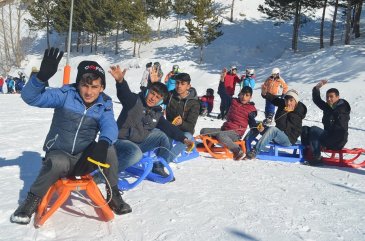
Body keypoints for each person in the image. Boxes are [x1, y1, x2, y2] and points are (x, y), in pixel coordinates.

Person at [10, 48, 131, 225]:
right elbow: (30, 98)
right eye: (85, 85)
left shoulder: (104, 104)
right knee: (57, 161)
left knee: (110, 149)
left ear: (102, 87)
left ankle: (113, 195)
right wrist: (41, 78)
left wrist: (104, 143)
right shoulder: (65, 95)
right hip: (61, 155)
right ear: (78, 84)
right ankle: (31, 201)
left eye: (94, 87)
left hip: (84, 159)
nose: (89, 92)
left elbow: (109, 125)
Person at [109, 65, 194, 179]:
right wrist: (120, 81)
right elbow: (124, 94)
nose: (153, 98)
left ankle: (158, 166)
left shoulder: (156, 113)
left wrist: (184, 139)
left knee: (162, 136)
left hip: (137, 143)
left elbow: (169, 127)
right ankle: (105, 174)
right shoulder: (134, 101)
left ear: (160, 101)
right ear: (147, 91)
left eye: (157, 97)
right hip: (120, 142)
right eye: (152, 94)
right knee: (136, 154)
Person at [245, 88, 307, 159]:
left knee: (272, 129)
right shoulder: (283, 105)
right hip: (277, 134)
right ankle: (245, 144)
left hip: (288, 139)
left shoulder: (298, 113)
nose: (288, 103)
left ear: (296, 101)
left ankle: (255, 151)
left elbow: (288, 128)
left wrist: (286, 112)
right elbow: (275, 99)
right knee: (259, 125)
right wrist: (265, 94)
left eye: (291, 100)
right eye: (286, 100)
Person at [200, 85, 257, 160]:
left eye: (247, 95)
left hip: (236, 133)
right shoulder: (233, 101)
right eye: (243, 94)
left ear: (250, 97)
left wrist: (258, 126)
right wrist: (222, 81)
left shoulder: (251, 109)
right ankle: (209, 145)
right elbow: (222, 93)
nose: (244, 97)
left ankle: (237, 150)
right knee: (204, 131)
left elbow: (253, 124)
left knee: (221, 136)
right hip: (225, 129)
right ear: (240, 94)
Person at [301, 80, 351, 166]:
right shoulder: (329, 107)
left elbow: (341, 130)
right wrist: (317, 88)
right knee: (305, 129)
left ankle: (317, 158)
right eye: (327, 97)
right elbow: (317, 100)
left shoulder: (342, 110)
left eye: (331, 97)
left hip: (337, 140)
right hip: (328, 137)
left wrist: (326, 142)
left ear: (338, 97)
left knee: (314, 129)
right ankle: (306, 153)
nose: (328, 99)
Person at [165, 73, 200, 161]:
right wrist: (154, 82)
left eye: (182, 84)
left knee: (187, 136)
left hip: (185, 131)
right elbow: (157, 97)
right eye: (177, 83)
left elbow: (191, 126)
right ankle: (161, 153)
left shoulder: (194, 103)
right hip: (170, 127)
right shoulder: (170, 95)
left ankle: (167, 159)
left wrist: (182, 123)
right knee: (164, 134)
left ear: (188, 86)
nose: (179, 86)